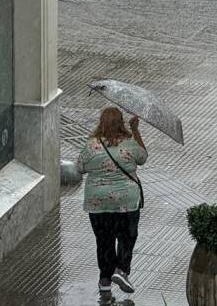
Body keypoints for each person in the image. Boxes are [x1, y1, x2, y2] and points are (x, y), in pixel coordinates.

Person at [76, 107, 147, 296]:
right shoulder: (130, 143)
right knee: (127, 236)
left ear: (101, 122)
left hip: (99, 204)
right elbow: (143, 158)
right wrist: (136, 131)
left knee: (104, 240)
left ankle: (105, 280)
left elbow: (79, 167)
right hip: (126, 202)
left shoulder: (91, 145)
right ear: (121, 122)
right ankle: (122, 270)